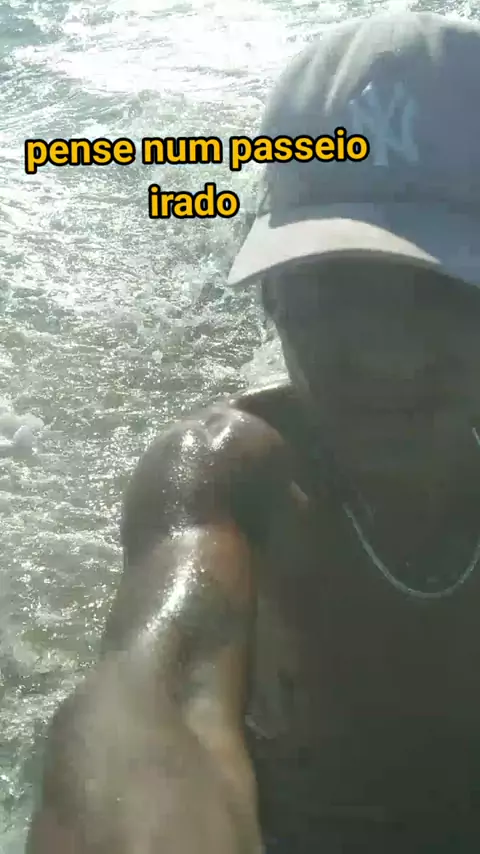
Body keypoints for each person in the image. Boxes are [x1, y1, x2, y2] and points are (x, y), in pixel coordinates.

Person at [26, 10, 480, 854]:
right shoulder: (232, 483)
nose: (388, 353)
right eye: (335, 284)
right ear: (271, 293)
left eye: (445, 289)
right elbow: (157, 696)